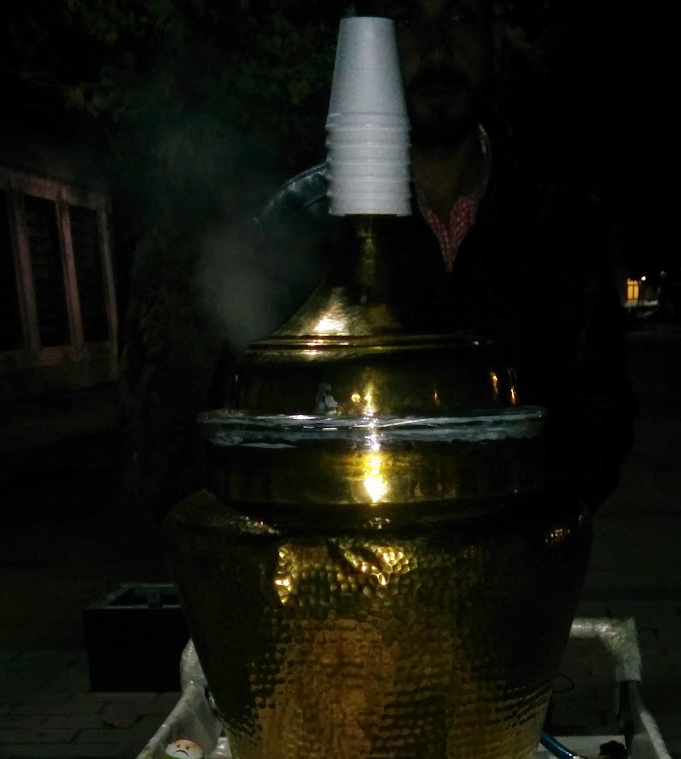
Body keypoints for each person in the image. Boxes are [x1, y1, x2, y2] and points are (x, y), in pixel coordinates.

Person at [227, 0, 636, 515]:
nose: (436, 48)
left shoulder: (555, 222)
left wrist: (533, 528)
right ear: (367, 45)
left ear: (495, 39)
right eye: (406, 21)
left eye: (462, 17)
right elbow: (242, 427)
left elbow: (597, 411)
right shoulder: (299, 227)